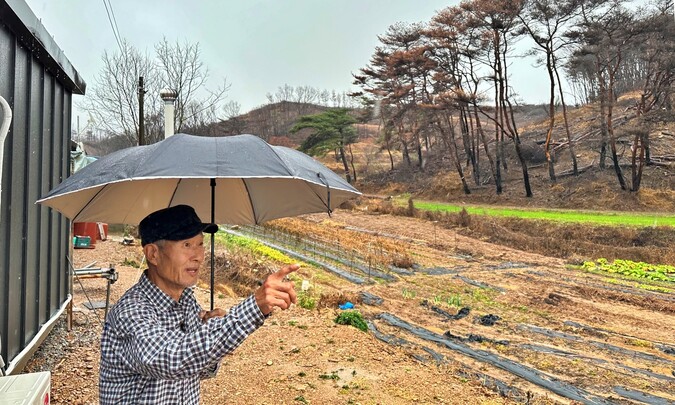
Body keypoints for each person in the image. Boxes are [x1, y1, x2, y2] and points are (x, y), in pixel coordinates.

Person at [99, 204, 298, 404]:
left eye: (200, 244)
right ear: (153, 254)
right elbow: (171, 360)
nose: (198, 256)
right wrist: (253, 308)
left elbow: (198, 370)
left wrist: (213, 332)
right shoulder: (130, 312)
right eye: (186, 245)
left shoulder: (187, 302)